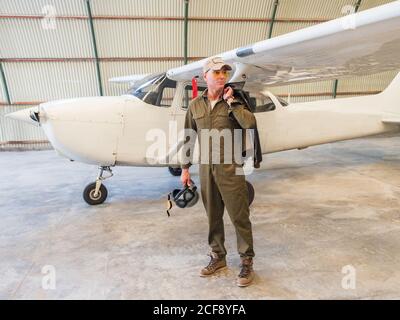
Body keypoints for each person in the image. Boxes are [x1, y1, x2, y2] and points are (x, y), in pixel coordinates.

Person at [181, 57, 257, 287]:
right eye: (216, 72)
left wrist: (233, 104)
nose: (222, 75)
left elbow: (249, 124)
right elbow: (188, 136)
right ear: (205, 76)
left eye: (225, 72)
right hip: (206, 168)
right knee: (213, 216)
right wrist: (185, 168)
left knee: (239, 217)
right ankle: (218, 257)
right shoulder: (195, 105)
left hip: (230, 168)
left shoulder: (235, 101)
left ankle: (246, 262)